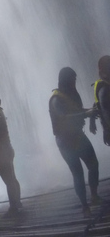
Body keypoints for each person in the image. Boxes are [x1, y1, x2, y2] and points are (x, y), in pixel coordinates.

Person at [49, 66, 100, 217]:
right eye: (72, 78)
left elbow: (76, 111)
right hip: (65, 141)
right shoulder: (56, 99)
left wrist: (89, 113)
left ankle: (94, 196)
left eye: (75, 79)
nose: (74, 81)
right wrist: (86, 114)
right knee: (78, 173)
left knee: (94, 165)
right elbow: (64, 117)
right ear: (66, 80)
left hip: (78, 136)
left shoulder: (69, 95)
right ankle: (85, 206)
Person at [92, 55, 110, 146]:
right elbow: (107, 114)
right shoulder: (104, 90)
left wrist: (92, 122)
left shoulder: (106, 86)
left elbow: (95, 104)